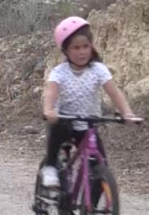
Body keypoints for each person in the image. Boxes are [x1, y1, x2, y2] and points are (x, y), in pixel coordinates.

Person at [40, 17, 140, 188]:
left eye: (85, 46)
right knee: (57, 131)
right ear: (65, 50)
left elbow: (114, 92)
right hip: (65, 121)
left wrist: (127, 113)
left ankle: (93, 212)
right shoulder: (59, 72)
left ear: (91, 46)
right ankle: (50, 167)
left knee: (100, 172)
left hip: (88, 125)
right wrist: (48, 110)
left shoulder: (98, 70)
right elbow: (51, 92)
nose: (82, 52)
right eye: (76, 48)